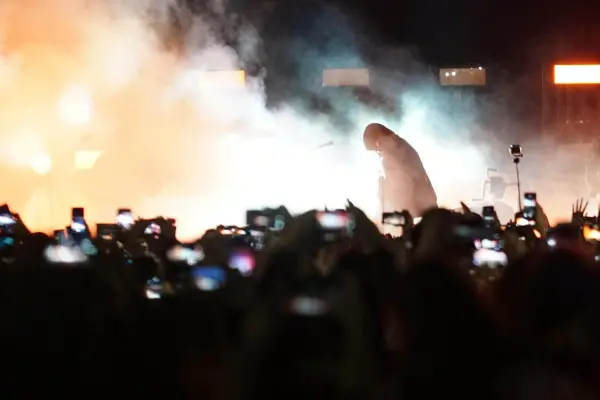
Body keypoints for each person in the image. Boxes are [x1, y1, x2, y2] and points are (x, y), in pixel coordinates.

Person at [363, 123, 437, 217]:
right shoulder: (399, 147)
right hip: (422, 204)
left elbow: (402, 184)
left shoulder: (393, 154)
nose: (378, 152)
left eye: (377, 148)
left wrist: (386, 191)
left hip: (416, 206)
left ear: (379, 141)